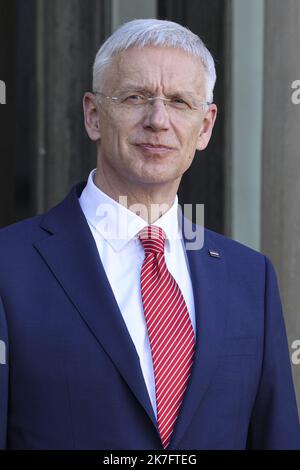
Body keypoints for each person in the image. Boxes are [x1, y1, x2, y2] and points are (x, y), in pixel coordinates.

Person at [0, 18, 299, 450]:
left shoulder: (251, 279)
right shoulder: (10, 267)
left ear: (206, 126)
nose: (158, 120)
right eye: (136, 96)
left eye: (179, 102)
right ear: (93, 115)